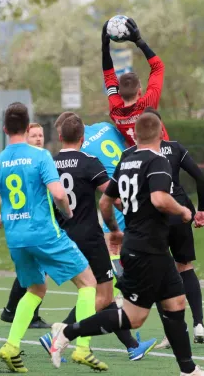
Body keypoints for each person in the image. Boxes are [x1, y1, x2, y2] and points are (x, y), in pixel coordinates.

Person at [49, 113, 204, 376]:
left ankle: (188, 370)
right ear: (160, 133)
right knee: (134, 317)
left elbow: (105, 203)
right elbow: (159, 199)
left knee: (176, 303)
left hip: (151, 247)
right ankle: (67, 332)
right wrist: (184, 212)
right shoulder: (158, 161)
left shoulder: (127, 160)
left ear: (136, 136)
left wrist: (116, 230)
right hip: (145, 250)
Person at [0, 102, 100, 372]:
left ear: (5, 129)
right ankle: (82, 348)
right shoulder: (41, 156)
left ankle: (11, 346)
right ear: (26, 125)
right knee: (88, 282)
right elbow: (58, 194)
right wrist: (67, 213)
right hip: (45, 234)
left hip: (16, 238)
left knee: (35, 289)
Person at [38, 114, 156, 364]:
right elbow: (111, 195)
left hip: (63, 238)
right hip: (89, 238)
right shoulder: (90, 162)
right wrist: (135, 210)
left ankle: (132, 346)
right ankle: (60, 335)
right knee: (101, 295)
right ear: (83, 138)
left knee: (98, 292)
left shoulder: (49, 163)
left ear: (59, 137)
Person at [123, 107, 204, 348]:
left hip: (154, 219)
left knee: (162, 272)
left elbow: (118, 195)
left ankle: (171, 334)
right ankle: (199, 323)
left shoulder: (130, 154)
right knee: (185, 267)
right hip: (179, 214)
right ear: (161, 129)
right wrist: (201, 209)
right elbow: (201, 178)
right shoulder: (176, 148)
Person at [53, 113, 126, 283]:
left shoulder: (82, 154)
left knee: (111, 247)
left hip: (117, 197)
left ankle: (119, 293)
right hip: (134, 181)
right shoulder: (105, 126)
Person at [0, 122, 51, 329]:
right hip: (31, 223)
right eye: (33, 136)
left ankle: (11, 310)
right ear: (25, 138)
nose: (38, 138)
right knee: (36, 270)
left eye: (41, 135)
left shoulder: (43, 158)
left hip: (31, 223)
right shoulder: (32, 162)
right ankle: (27, 315)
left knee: (31, 269)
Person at [101, 17, 169, 146]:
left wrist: (105, 48)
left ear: (119, 92)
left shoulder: (115, 110)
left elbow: (109, 76)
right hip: (162, 157)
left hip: (137, 159)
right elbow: (158, 67)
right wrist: (139, 42)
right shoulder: (147, 105)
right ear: (139, 91)